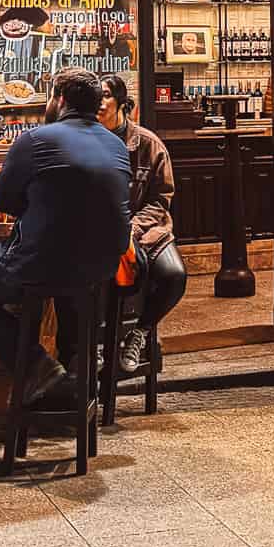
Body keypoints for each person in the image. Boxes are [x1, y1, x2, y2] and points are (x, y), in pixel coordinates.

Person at [0, 66, 131, 404]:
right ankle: (74, 393)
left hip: (42, 265)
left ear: (59, 100)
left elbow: (6, 201)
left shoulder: (35, 140)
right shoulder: (116, 145)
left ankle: (37, 366)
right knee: (69, 285)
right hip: (101, 268)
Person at [98, 75, 187, 373]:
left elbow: (161, 199)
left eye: (107, 95)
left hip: (148, 231)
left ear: (122, 103)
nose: (100, 101)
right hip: (105, 234)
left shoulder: (148, 144)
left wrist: (132, 229)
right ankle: (94, 343)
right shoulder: (90, 141)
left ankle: (141, 332)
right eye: (96, 95)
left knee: (174, 275)